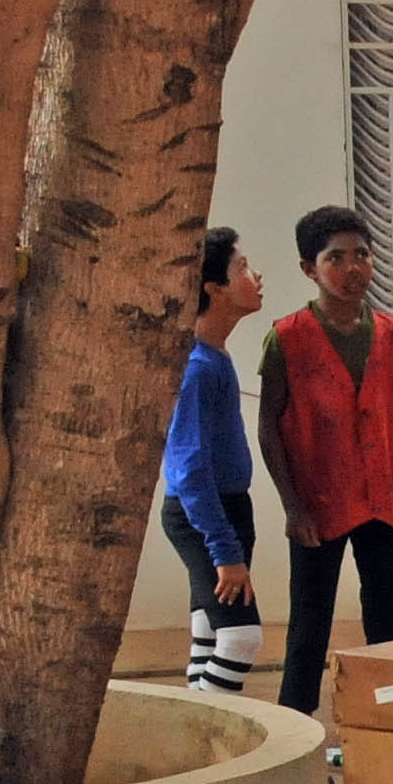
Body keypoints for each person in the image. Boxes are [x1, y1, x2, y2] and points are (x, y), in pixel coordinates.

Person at [251, 205, 393, 718]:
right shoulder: (287, 337)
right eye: (336, 258)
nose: (353, 268)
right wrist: (293, 506)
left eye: (362, 255)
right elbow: (268, 427)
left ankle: (387, 723)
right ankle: (296, 729)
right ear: (309, 268)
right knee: (309, 625)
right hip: (318, 504)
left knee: (387, 624)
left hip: (383, 500)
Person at [166, 227, 267, 695]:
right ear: (214, 289)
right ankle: (205, 733)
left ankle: (195, 727)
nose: (256, 275)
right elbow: (188, 468)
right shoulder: (197, 367)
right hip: (206, 514)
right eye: (241, 268)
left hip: (222, 509)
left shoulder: (214, 355)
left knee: (209, 635)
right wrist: (225, 551)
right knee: (241, 638)